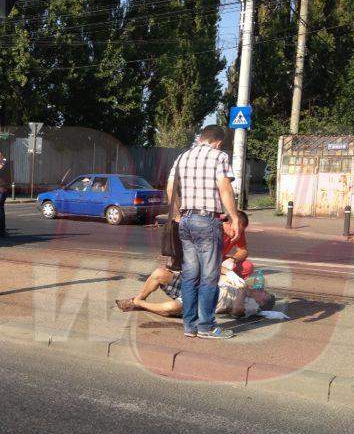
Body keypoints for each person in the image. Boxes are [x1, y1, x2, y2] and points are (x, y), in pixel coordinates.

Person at [167, 125, 243, 340]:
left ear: (201, 138)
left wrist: (176, 213)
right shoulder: (219, 156)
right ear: (218, 142)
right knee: (209, 277)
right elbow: (225, 188)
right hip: (207, 220)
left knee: (190, 276)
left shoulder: (182, 157)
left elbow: (170, 187)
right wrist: (234, 217)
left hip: (186, 220)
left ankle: (190, 326)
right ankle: (206, 327)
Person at [115, 265, 275, 319]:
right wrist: (228, 273)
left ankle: (138, 303)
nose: (261, 289)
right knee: (159, 273)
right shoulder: (240, 282)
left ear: (262, 302)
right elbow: (216, 267)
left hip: (203, 301)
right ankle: (138, 299)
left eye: (264, 293)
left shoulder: (253, 305)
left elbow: (237, 311)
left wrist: (242, 291)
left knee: (172, 308)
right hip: (197, 284)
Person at [222, 211, 254, 279]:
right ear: (229, 223)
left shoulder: (238, 231)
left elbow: (243, 251)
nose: (238, 234)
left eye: (241, 231)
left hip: (220, 260)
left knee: (247, 266)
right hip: (206, 262)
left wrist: (233, 259)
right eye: (237, 230)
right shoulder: (214, 230)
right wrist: (227, 272)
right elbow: (208, 261)